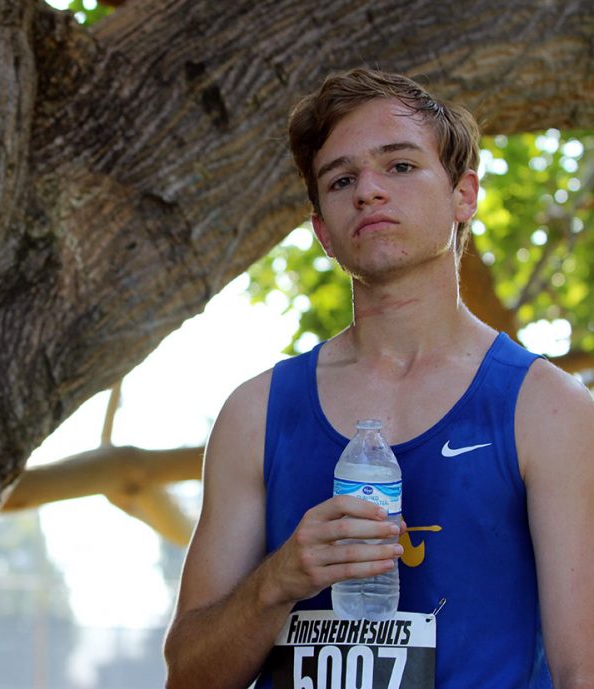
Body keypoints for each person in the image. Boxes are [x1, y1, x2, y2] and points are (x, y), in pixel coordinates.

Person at [163, 68, 594, 689]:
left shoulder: (547, 408)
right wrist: (277, 580)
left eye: (399, 166)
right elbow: (188, 676)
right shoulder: (256, 413)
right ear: (323, 233)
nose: (368, 191)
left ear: (463, 195)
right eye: (341, 179)